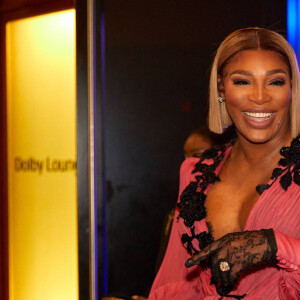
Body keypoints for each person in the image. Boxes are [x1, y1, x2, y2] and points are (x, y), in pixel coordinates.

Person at [148, 27, 300, 299]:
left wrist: (274, 245)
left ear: (292, 89)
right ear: (221, 88)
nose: (260, 96)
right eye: (243, 81)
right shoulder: (195, 173)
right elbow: (176, 281)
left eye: (275, 82)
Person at [132, 127, 221, 300]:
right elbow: (166, 273)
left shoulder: (231, 209)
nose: (188, 163)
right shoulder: (176, 214)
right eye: (185, 157)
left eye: (196, 155)